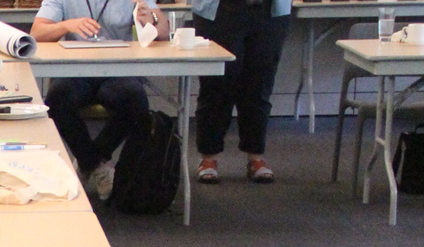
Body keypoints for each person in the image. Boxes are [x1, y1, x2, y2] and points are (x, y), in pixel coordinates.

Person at [32, 0, 168, 200]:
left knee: (135, 99)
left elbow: (164, 32)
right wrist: (65, 25)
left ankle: (89, 160)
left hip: (118, 70)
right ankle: (95, 164)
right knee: (57, 98)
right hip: (75, 70)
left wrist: (152, 19)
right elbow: (36, 33)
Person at [192, 0, 291, 183]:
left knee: (260, 82)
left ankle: (256, 157)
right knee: (218, 83)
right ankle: (208, 158)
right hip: (221, 9)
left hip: (269, 10)